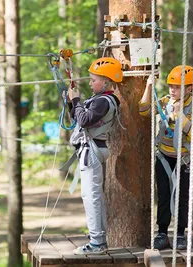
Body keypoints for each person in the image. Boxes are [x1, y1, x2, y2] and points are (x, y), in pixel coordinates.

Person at [139, 65, 193, 250]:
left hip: (182, 158)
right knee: (164, 195)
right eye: (170, 86)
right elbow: (144, 111)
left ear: (190, 88)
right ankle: (162, 232)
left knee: (182, 196)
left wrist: (178, 115)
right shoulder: (165, 101)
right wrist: (149, 87)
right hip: (164, 157)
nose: (172, 90)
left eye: (177, 87)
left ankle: (180, 233)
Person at [62, 57, 123, 255]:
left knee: (91, 196)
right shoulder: (100, 101)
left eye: (93, 79)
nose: (89, 83)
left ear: (105, 82)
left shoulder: (103, 102)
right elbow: (79, 118)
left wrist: (77, 100)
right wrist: (72, 103)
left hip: (93, 151)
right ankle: (98, 239)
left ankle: (97, 242)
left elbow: (86, 120)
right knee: (92, 196)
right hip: (93, 149)